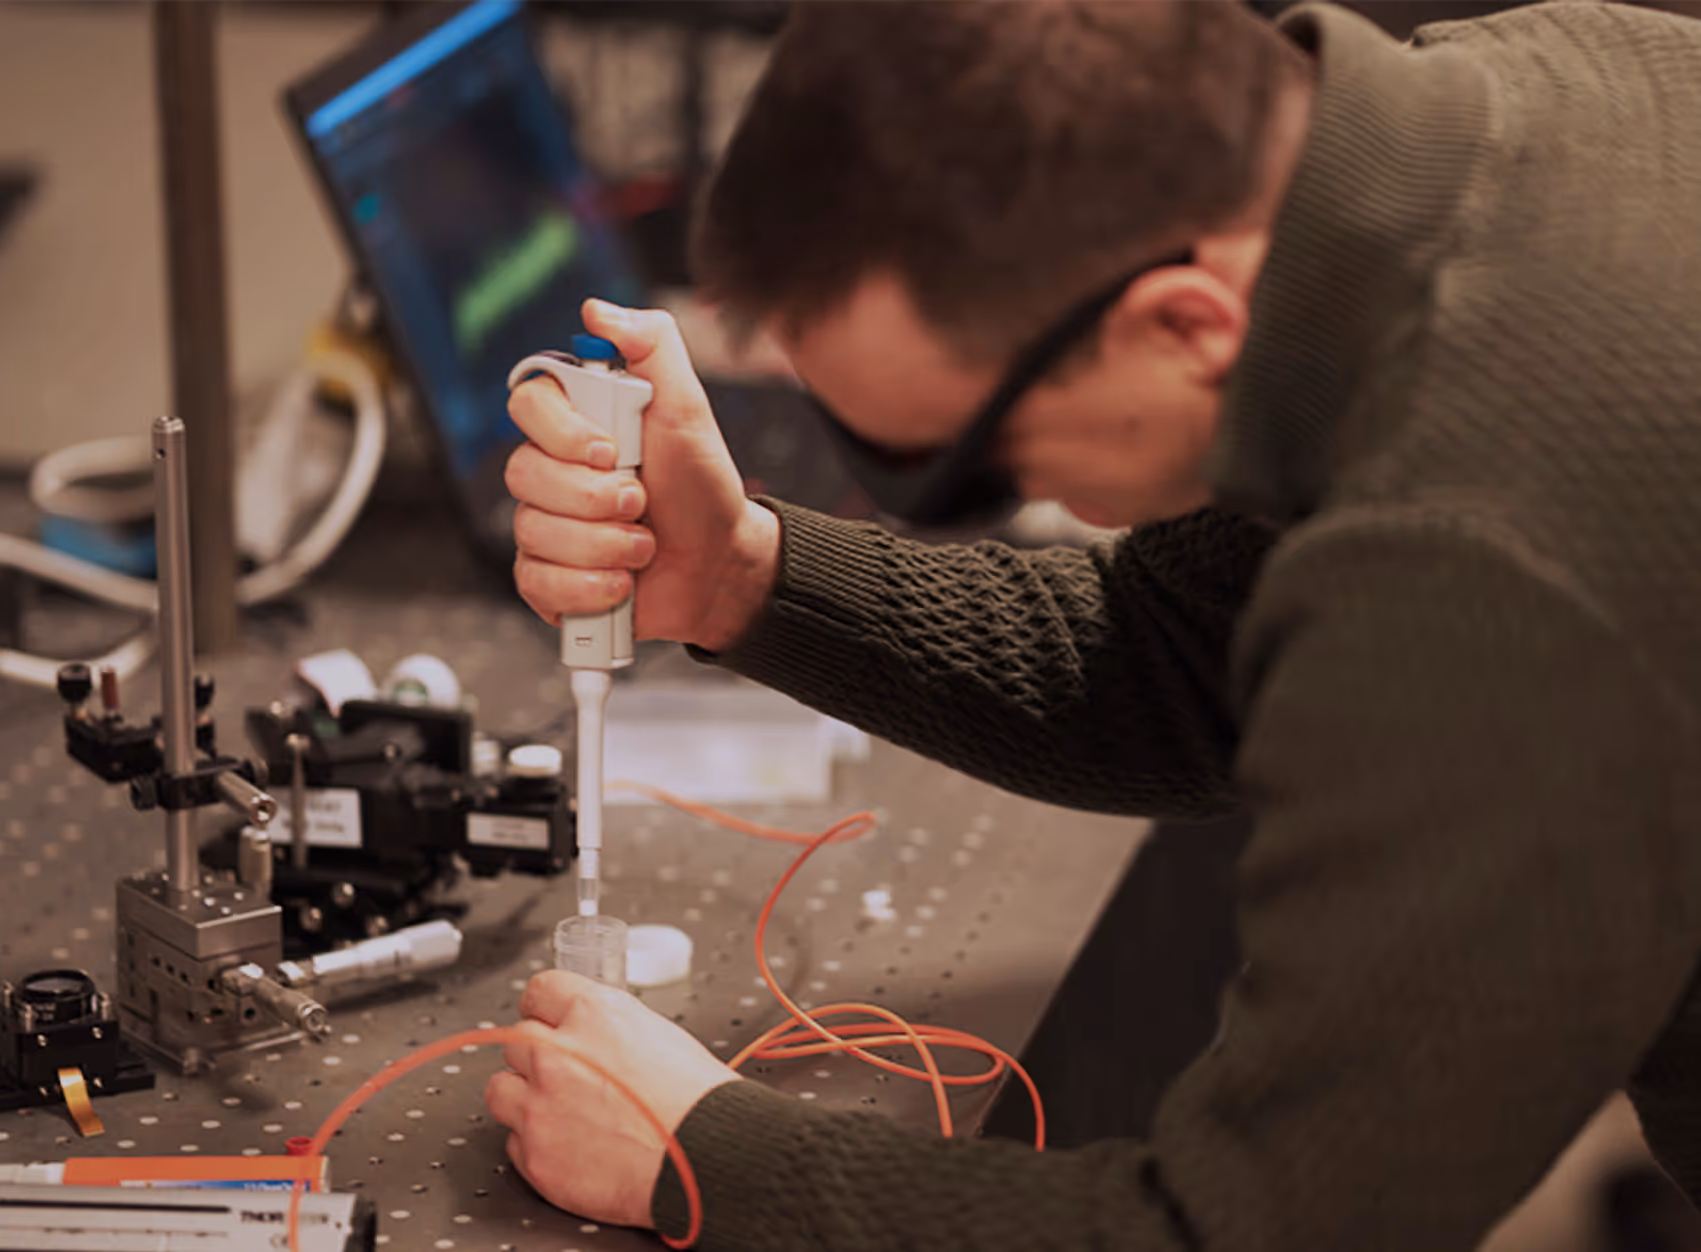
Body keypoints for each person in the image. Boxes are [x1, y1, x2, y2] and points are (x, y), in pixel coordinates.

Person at [480, 0, 1701, 1247]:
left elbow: (1248, 1229)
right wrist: (742, 574)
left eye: (960, 470)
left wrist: (700, 1156)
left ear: (1183, 325)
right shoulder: (1517, 102)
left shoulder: (1484, 561)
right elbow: (1185, 654)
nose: (980, 502)